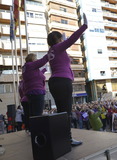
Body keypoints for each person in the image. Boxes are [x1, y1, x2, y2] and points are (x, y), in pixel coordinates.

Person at [47, 13, 88, 146]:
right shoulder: (58, 47)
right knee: (67, 112)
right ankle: (68, 139)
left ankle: (61, 138)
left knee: (61, 112)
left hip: (54, 82)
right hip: (62, 81)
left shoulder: (51, 51)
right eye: (61, 38)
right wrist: (84, 26)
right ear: (58, 40)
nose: (62, 40)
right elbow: (72, 39)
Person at [22, 53, 48, 118]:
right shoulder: (31, 65)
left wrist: (43, 71)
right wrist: (52, 52)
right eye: (36, 59)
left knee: (33, 114)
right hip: (37, 92)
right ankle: (38, 128)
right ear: (32, 59)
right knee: (38, 114)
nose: (37, 60)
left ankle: (33, 127)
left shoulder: (26, 67)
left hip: (30, 92)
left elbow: (34, 77)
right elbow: (43, 60)